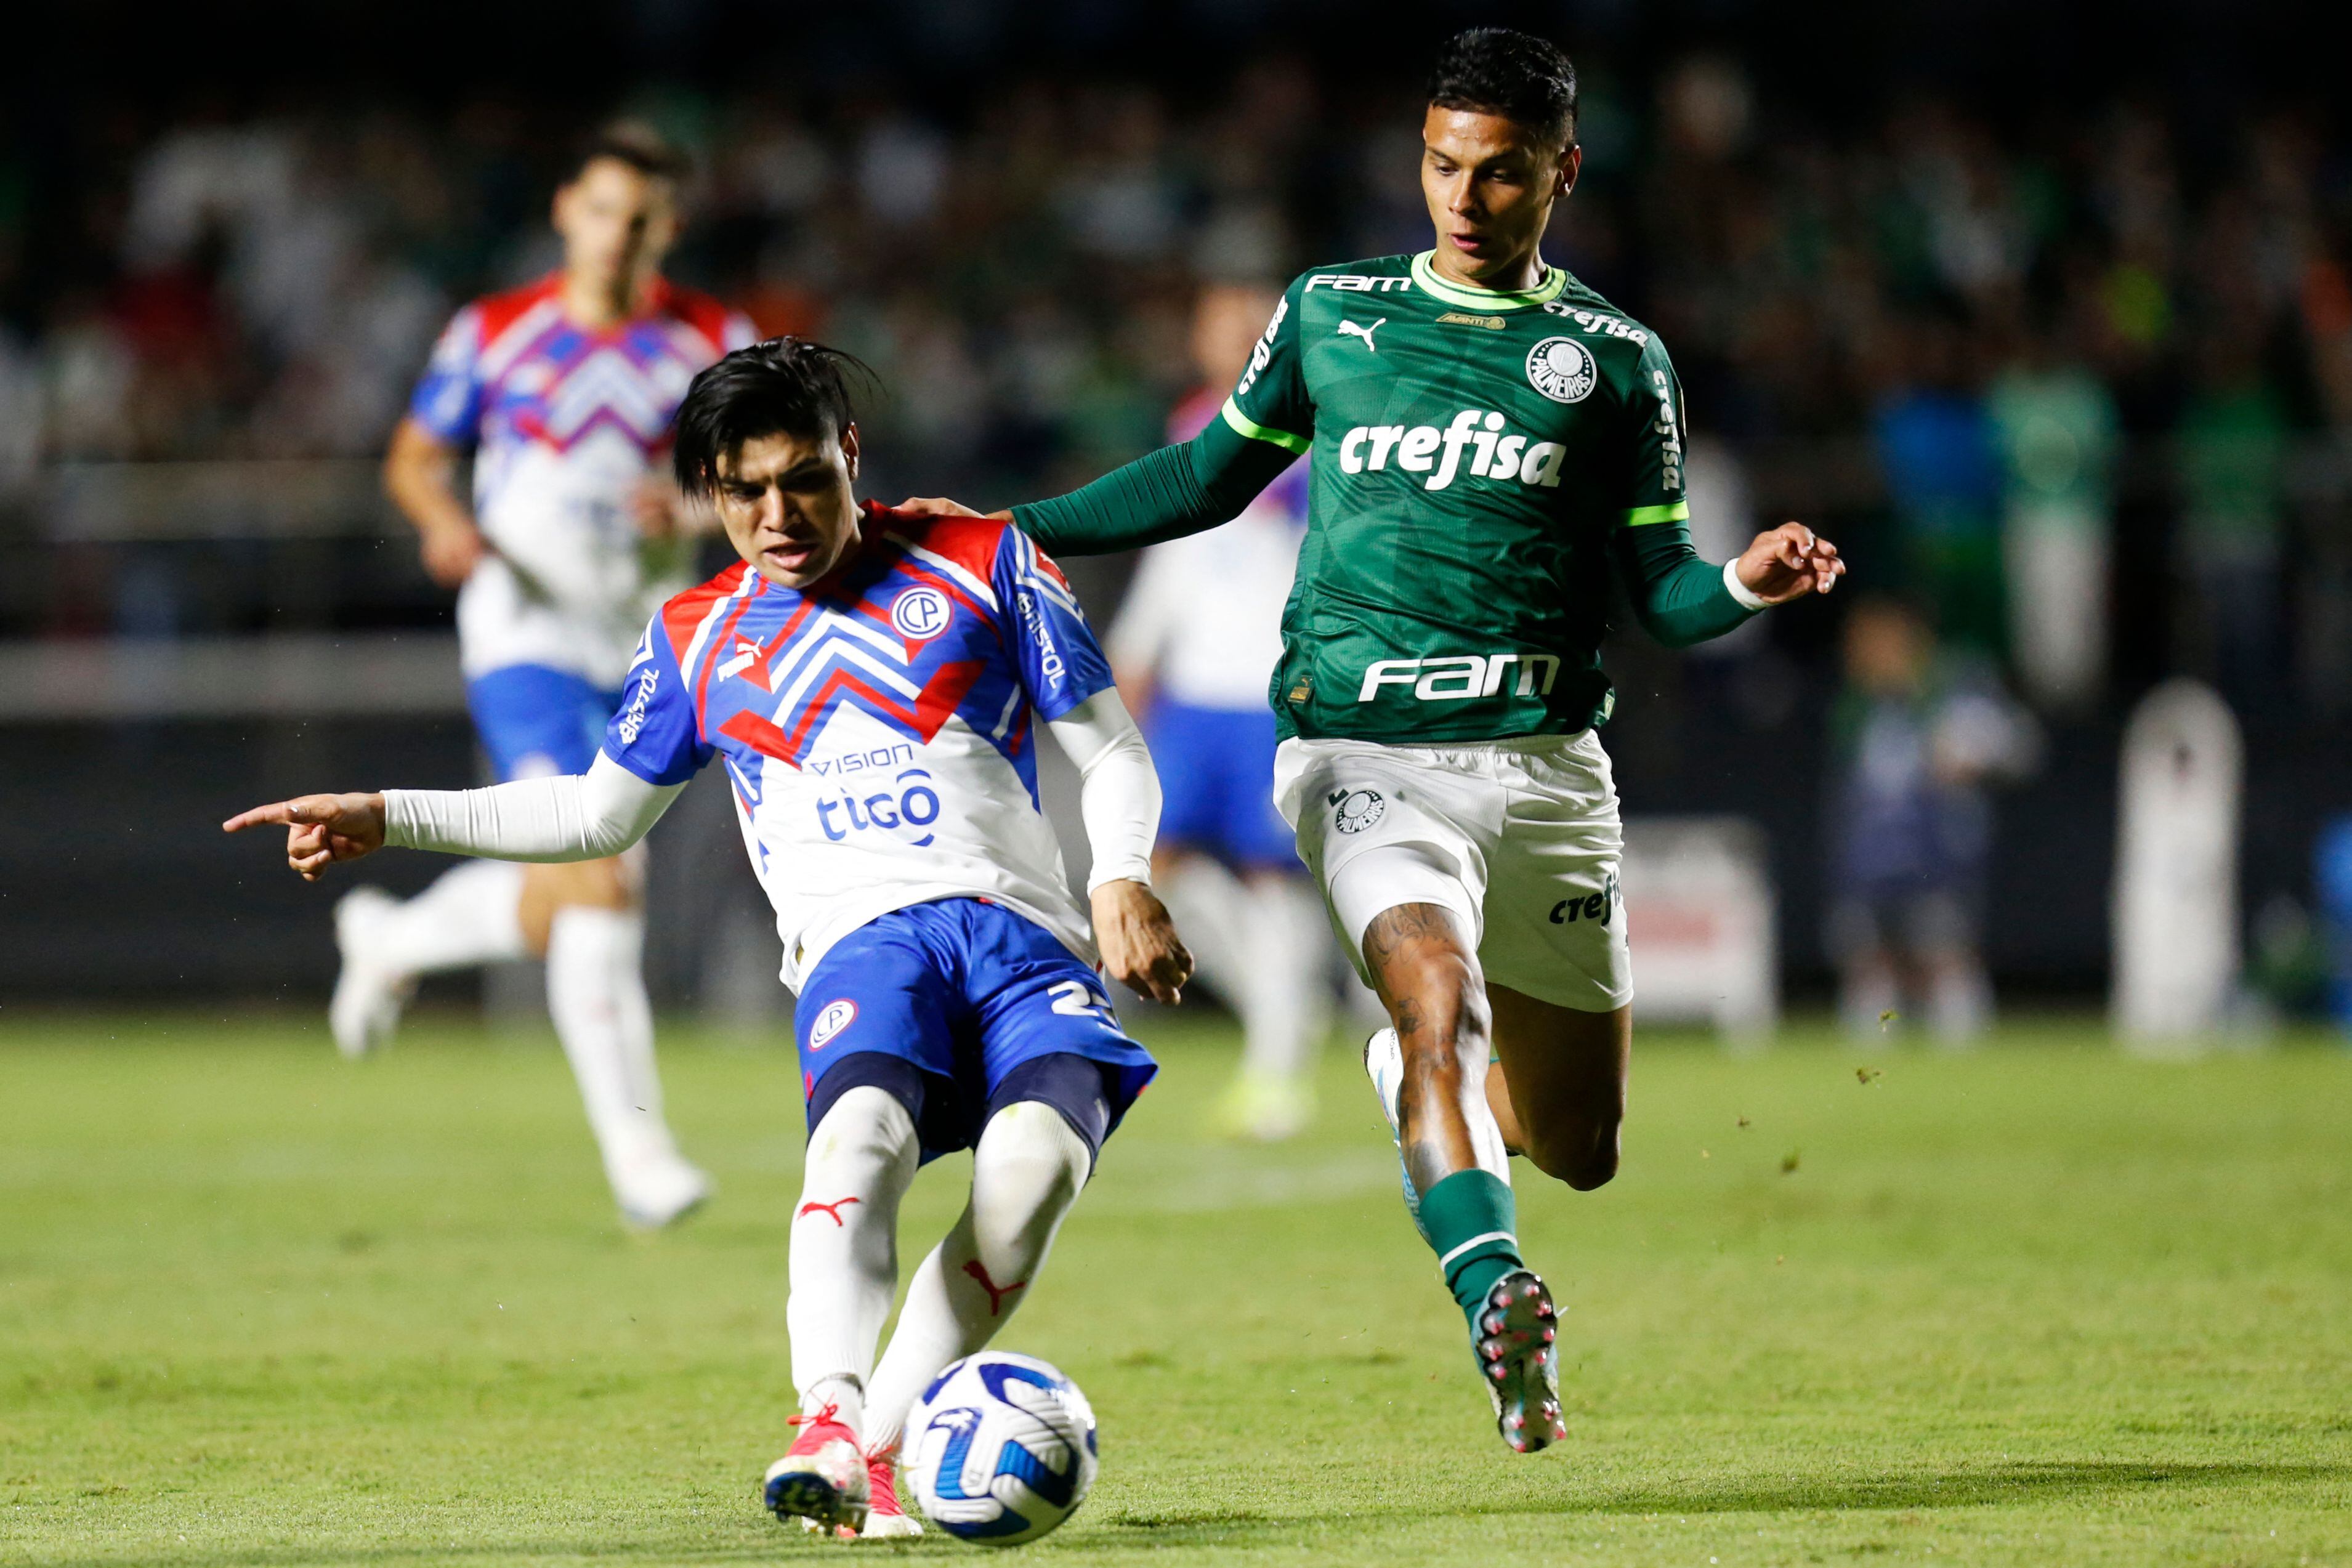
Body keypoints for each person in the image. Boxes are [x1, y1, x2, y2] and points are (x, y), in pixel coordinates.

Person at [900, 28, 1843, 1453]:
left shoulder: (1612, 361)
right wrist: (998, 530)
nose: (1463, 196)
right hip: (1358, 751)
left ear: (1560, 174)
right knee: (1432, 995)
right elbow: (1208, 475)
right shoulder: (1333, 314)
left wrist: (1740, 584)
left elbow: (1656, 588)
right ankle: (1492, 1287)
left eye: (1501, 171)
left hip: (1545, 767)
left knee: (1577, 1144)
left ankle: (1427, 1088)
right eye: (1441, 163)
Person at [224, 339, 1191, 1539]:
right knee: (859, 1143)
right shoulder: (695, 635)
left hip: (1025, 941)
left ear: (851, 456)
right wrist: (391, 814)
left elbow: (1106, 743)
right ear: (708, 490)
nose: (777, 516)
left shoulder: (985, 559)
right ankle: (827, 1421)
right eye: (743, 492)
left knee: (1032, 1177)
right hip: (862, 945)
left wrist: (1124, 877)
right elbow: (594, 811)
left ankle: (880, 1448)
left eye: (803, 481)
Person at [357, 124, 754, 1229]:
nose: (618, 237)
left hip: (646, 646)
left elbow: (765, 473)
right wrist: (443, 524)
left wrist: (689, 506)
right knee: (600, 872)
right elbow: (413, 457)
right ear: (564, 211)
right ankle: (640, 1156)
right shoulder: (493, 333)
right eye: (602, 212)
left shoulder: (715, 341)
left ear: (668, 229)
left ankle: (393, 938)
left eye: (642, 220)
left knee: (565, 882)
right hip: (522, 632)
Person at [1107, 281, 1329, 1141]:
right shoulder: (1190, 424)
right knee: (1152, 868)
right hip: (1193, 690)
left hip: (1271, 687)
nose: (1230, 342)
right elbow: (1180, 554)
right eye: (1217, 328)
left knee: (1268, 871)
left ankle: (1277, 1063)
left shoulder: (1315, 431)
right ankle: (1283, 1008)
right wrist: (1136, 649)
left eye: (1248, 328)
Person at [1826, 597, 2036, 1044]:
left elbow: (2016, 745)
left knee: (1942, 949)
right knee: (1867, 954)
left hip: (1935, 853)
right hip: (1872, 856)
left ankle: (1961, 1050)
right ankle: (1872, 1054)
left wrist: (1970, 752)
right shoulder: (1860, 707)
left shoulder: (1953, 689)